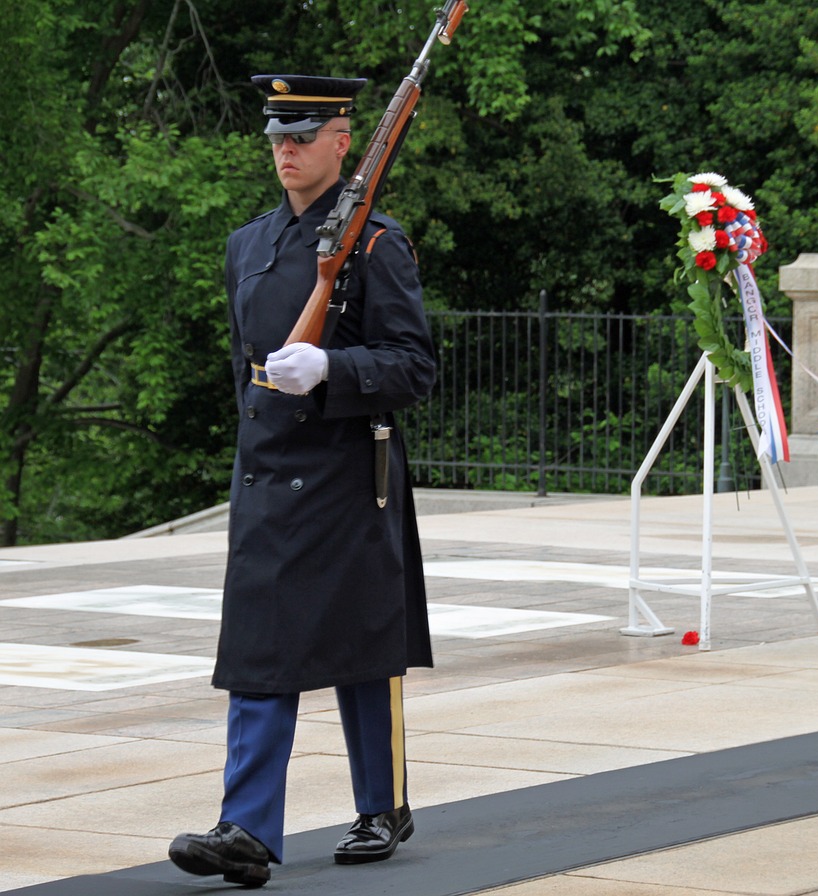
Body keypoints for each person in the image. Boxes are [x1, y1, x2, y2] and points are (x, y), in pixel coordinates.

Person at [168, 74, 437, 888]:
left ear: (343, 141)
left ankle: (381, 803)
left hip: (347, 471)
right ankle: (245, 827)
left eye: (302, 136)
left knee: (362, 641)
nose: (286, 151)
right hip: (269, 470)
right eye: (277, 137)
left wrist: (330, 366)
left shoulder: (376, 244)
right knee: (258, 648)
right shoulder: (246, 245)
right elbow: (241, 367)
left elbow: (414, 366)